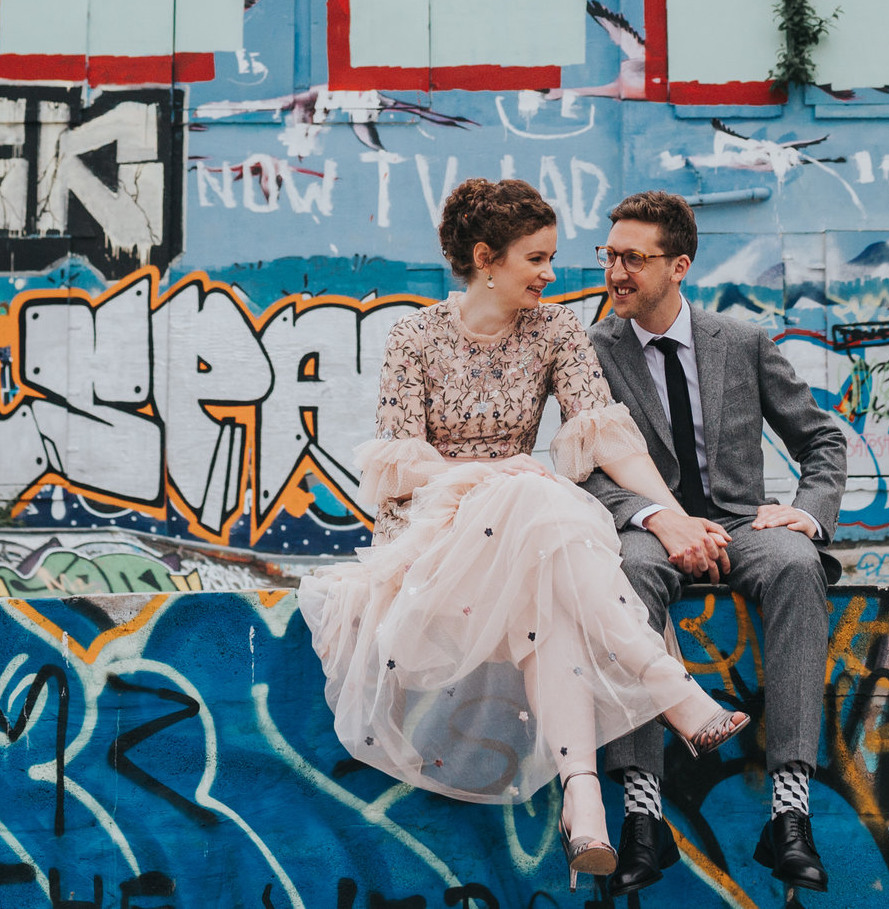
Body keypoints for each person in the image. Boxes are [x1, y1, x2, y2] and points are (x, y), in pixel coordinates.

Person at [296, 178, 750, 882]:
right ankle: (670, 687)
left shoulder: (556, 329)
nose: (551, 273)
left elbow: (606, 438)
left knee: (547, 577)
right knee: (533, 493)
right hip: (431, 551)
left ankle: (583, 803)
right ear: (486, 257)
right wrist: (496, 471)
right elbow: (399, 469)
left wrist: (672, 513)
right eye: (536, 259)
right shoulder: (414, 335)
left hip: (521, 543)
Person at [580, 191, 848, 894]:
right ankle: (644, 816)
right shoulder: (591, 353)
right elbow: (581, 474)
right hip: (647, 532)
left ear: (679, 264)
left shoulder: (744, 341)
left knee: (796, 563)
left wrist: (808, 512)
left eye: (632, 258)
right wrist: (647, 516)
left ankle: (789, 814)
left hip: (738, 525)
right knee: (625, 579)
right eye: (609, 255)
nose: (615, 272)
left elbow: (821, 438)